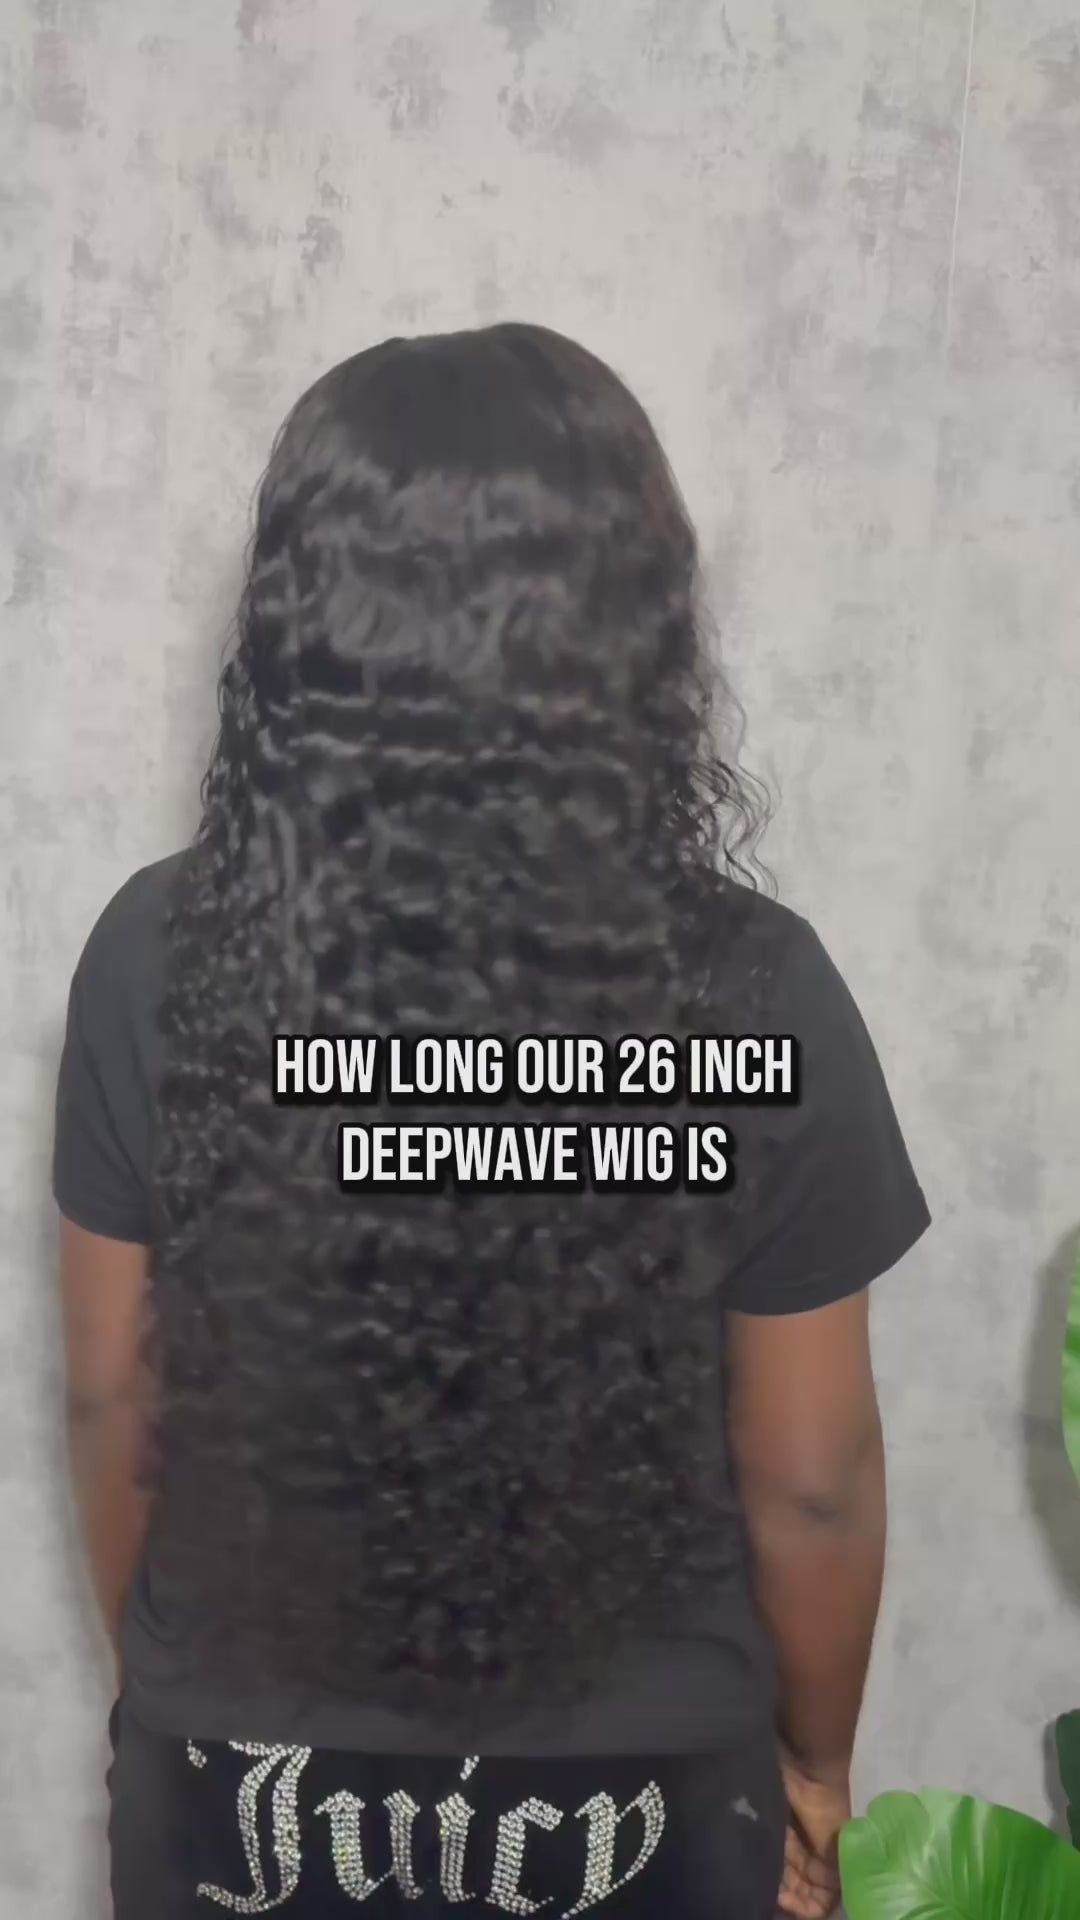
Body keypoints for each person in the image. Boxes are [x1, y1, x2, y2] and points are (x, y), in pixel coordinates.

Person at [53, 323, 930, 1920]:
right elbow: (812, 1478)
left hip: (236, 1786)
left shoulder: (155, 957)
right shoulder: (752, 988)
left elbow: (117, 1399)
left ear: (300, 624)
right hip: (650, 1805)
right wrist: (815, 1765)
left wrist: (177, 1704)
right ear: (629, 622)